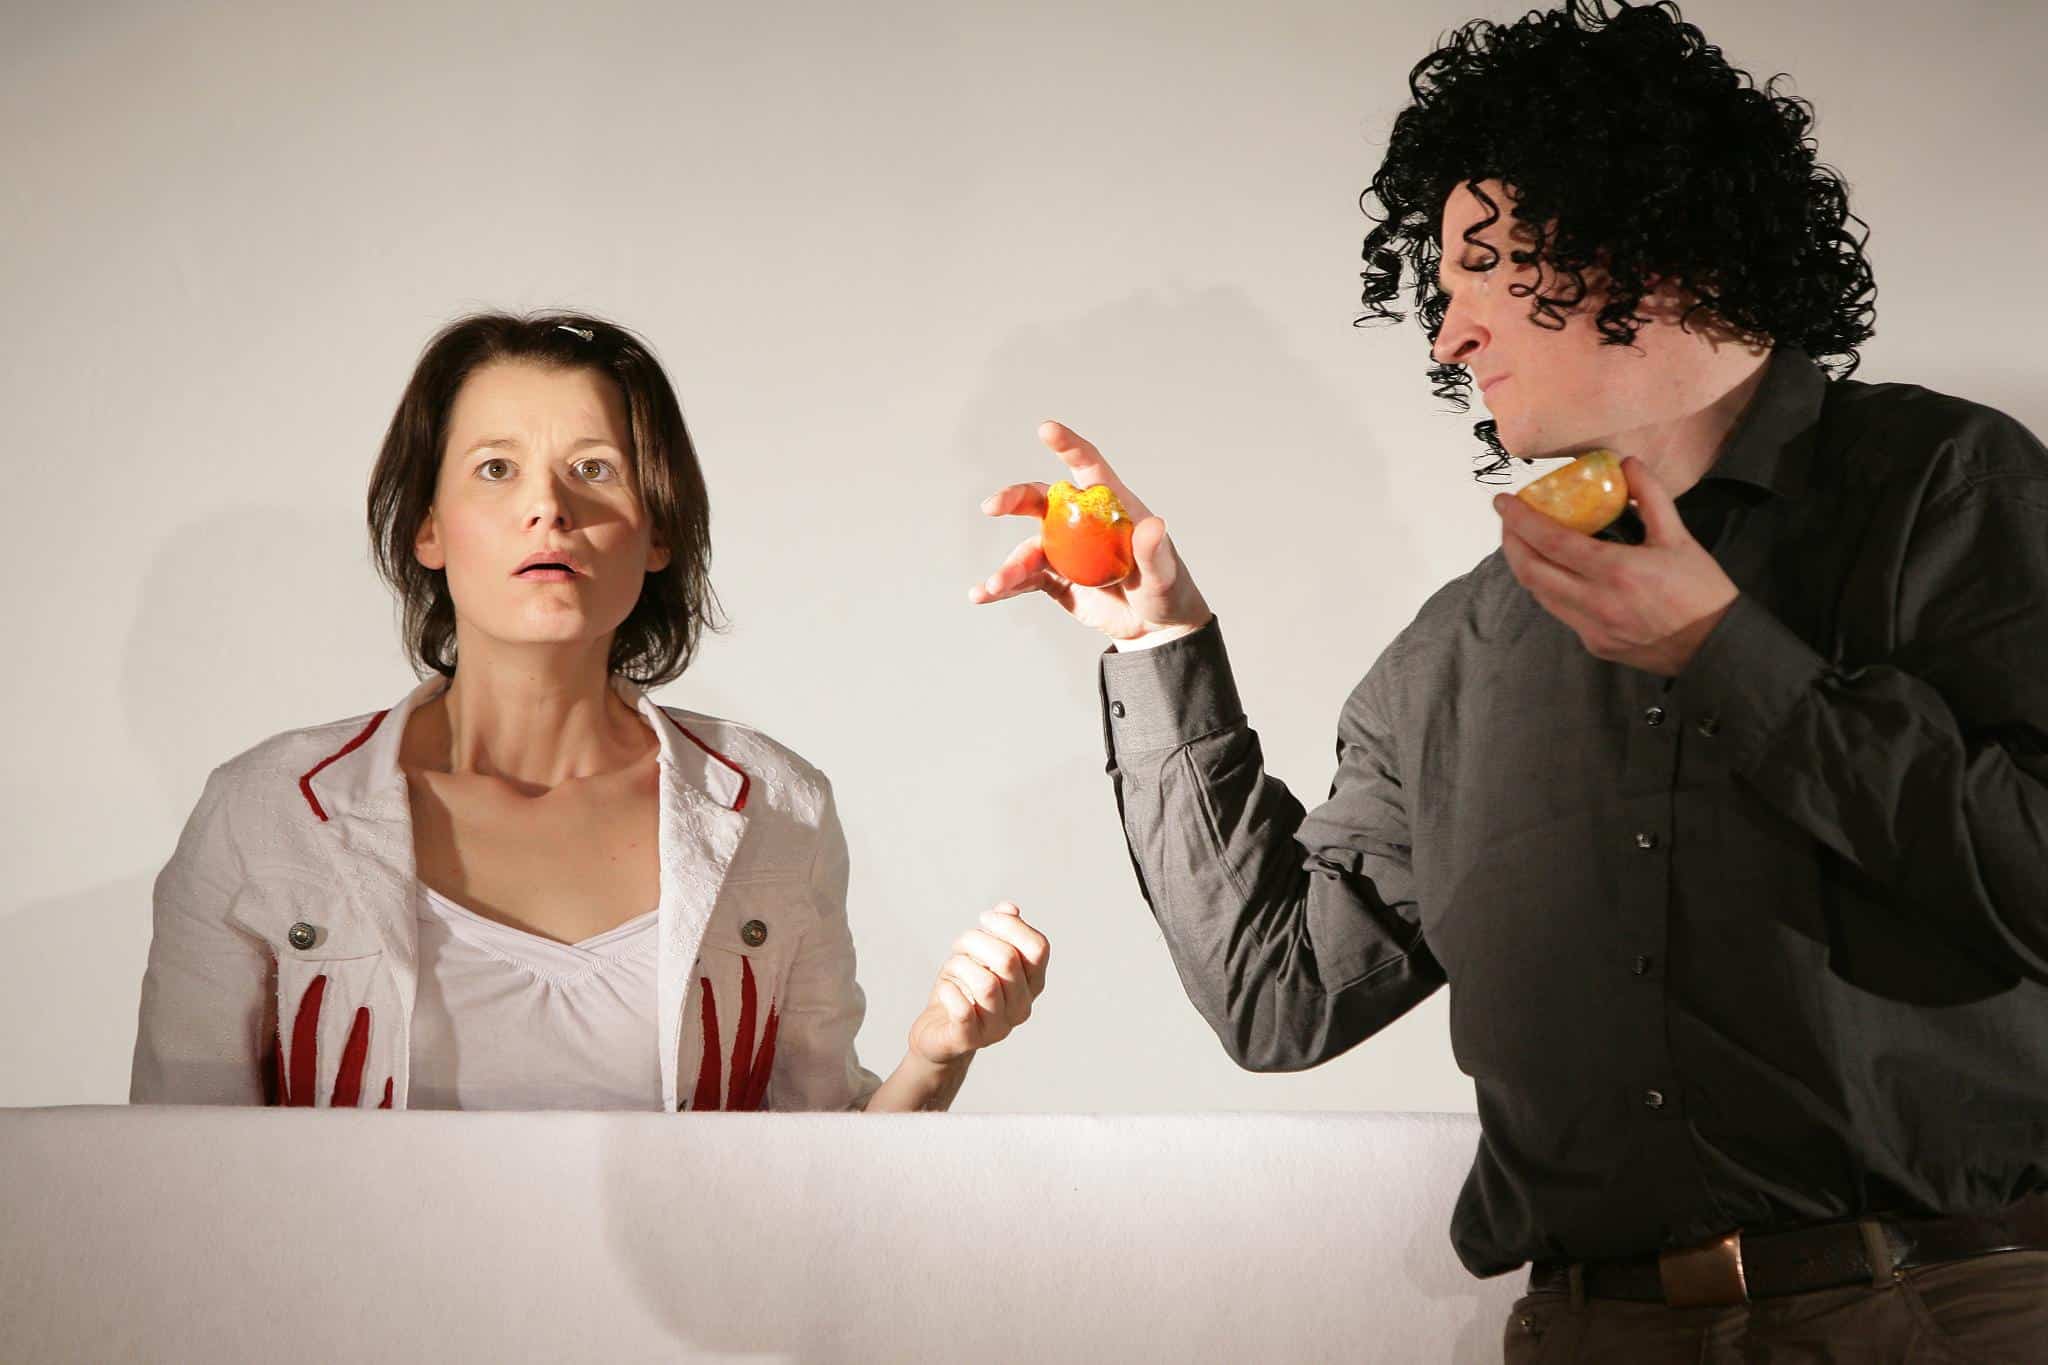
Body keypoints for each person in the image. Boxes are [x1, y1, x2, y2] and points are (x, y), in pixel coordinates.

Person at [971, 1, 2045, 1358]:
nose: (1448, 336)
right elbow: (1279, 994)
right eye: (1441, 287)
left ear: (1648, 245)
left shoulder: (1945, 487)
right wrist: (1156, 642)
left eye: (1483, 267)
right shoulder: (1457, 651)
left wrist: (1727, 658)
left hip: (1941, 1318)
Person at [133, 310, 1048, 1114]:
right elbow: (174, 1181)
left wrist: (936, 1058)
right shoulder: (267, 814)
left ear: (658, 530)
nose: (548, 506)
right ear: (428, 527)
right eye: (496, 468)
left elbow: (820, 1184)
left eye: (594, 469)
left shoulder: (778, 807)